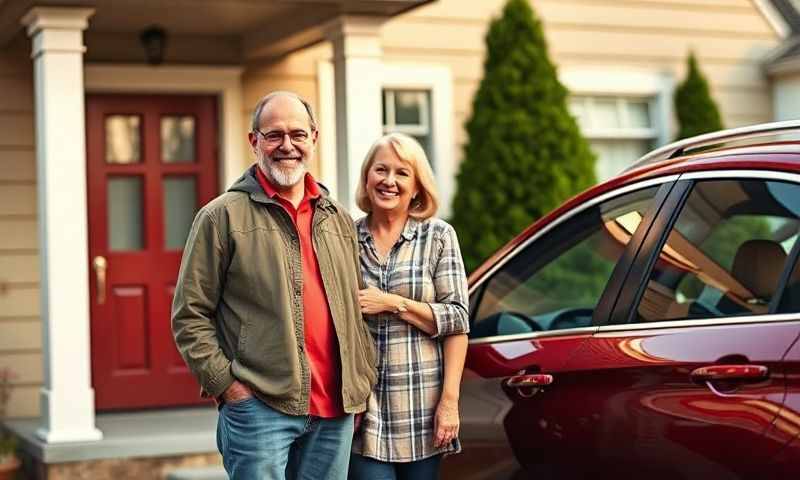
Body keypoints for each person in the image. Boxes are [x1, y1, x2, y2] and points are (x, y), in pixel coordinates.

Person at [171, 91, 377, 480]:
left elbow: (354, 311)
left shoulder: (339, 220)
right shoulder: (220, 217)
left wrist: (359, 384)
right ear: (254, 142)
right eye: (274, 135)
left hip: (335, 410)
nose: (287, 146)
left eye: (298, 134)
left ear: (313, 138)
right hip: (259, 407)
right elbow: (189, 315)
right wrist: (228, 387)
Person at [349, 133, 470, 480]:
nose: (389, 181)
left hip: (423, 407)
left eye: (402, 173)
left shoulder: (438, 236)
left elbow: (458, 320)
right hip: (364, 411)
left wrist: (449, 402)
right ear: (367, 177)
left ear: (417, 186)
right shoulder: (345, 237)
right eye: (381, 170)